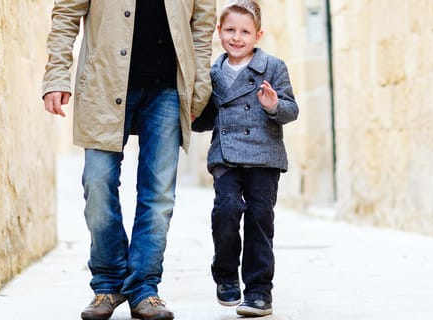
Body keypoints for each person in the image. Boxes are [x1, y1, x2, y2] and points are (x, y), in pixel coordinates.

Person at [41, 0, 216, 319]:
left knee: (159, 195)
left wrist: (199, 87)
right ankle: (108, 283)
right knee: (97, 183)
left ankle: (144, 288)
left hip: (167, 90)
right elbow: (66, 14)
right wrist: (56, 76)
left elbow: (202, 24)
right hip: (102, 85)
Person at [191, 0, 298, 317]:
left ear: (258, 35)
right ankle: (225, 276)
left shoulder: (274, 67)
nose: (237, 38)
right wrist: (193, 112)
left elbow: (291, 111)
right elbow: (205, 120)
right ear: (219, 32)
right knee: (226, 211)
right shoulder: (212, 73)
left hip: (265, 157)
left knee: (259, 222)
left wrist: (273, 105)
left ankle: (259, 292)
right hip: (226, 156)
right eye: (230, 30)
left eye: (245, 32)